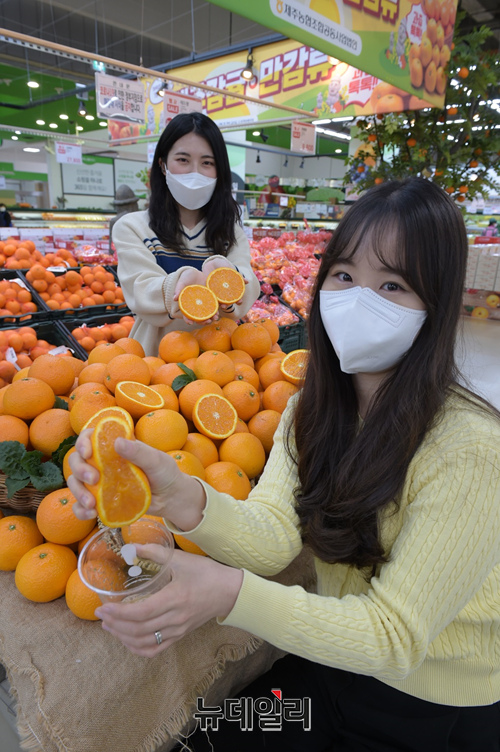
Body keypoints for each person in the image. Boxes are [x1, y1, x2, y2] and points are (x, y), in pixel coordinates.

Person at [69, 178, 500, 751]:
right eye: (344, 276)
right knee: (210, 741)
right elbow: (273, 536)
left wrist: (229, 594)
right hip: (332, 657)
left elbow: (395, 637)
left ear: (437, 304)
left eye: (392, 284)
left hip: (428, 702)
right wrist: (179, 495)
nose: (356, 299)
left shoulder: (469, 448)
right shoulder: (311, 406)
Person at [112, 112, 260, 356]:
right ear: (162, 165)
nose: (195, 172)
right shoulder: (133, 227)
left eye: (207, 163)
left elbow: (248, 284)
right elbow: (140, 290)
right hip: (153, 361)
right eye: (183, 160)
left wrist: (230, 276)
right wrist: (178, 287)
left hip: (218, 360)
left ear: (219, 171)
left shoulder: (230, 231)